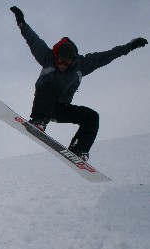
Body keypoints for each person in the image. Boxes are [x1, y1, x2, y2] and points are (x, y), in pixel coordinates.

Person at [10, 6, 147, 161]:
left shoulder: (82, 64)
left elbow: (108, 55)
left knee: (92, 116)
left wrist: (130, 46)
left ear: (72, 61)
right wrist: (21, 22)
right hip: (44, 102)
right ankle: (39, 120)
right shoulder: (47, 56)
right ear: (57, 56)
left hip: (60, 108)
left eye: (67, 63)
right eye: (61, 61)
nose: (63, 65)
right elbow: (33, 39)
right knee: (50, 85)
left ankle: (79, 149)